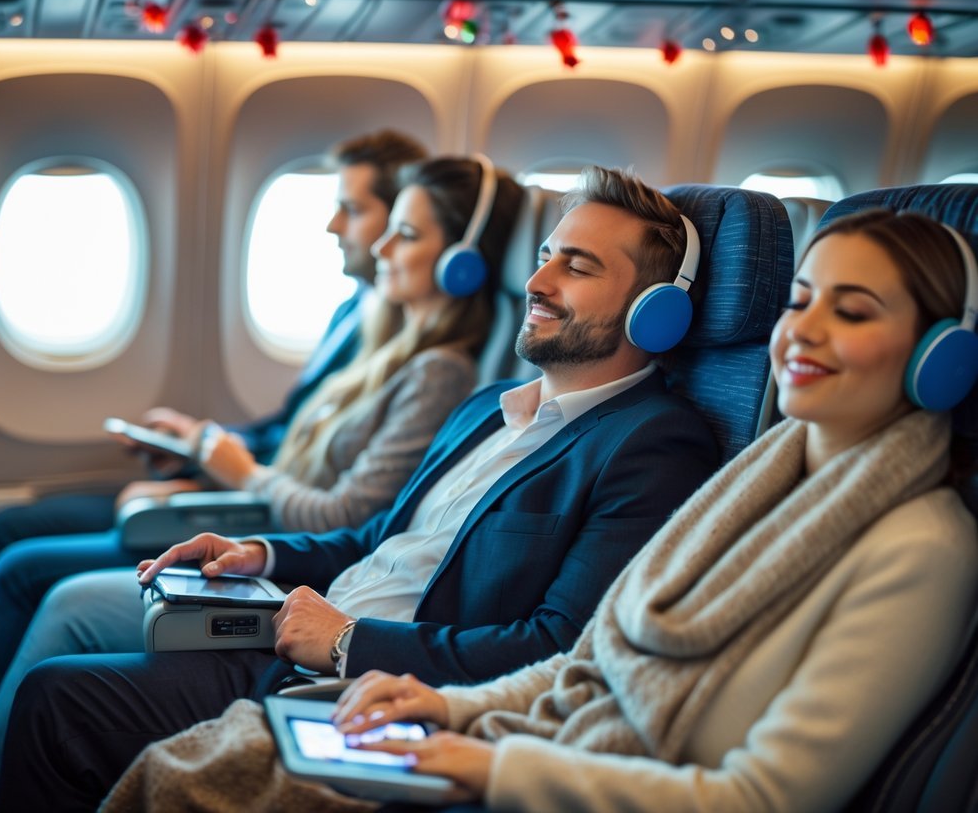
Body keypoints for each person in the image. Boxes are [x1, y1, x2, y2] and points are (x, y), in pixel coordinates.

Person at [111, 208, 978, 813]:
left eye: (852, 310)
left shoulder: (920, 546)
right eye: (798, 301)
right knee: (184, 763)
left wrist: (490, 763)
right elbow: (593, 661)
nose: (804, 331)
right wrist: (443, 709)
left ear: (942, 357)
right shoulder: (754, 483)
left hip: (572, 775)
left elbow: (757, 797)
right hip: (546, 736)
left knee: (182, 768)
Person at [0, 165, 722, 812]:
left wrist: (346, 643)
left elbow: (560, 647)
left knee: (59, 701)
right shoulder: (486, 407)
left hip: (368, 684)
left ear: (652, 310)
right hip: (299, 637)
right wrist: (259, 555)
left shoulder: (653, 445)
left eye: (577, 266)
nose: (535, 282)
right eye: (542, 256)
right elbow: (376, 539)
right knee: (58, 684)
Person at [0, 154, 527, 813]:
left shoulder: (443, 376)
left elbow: (357, 515)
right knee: (26, 557)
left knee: (43, 587)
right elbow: (296, 445)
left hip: (290, 551)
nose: (375, 246)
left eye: (403, 233)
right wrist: (204, 455)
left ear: (462, 260)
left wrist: (234, 476)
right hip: (266, 533)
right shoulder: (378, 338)